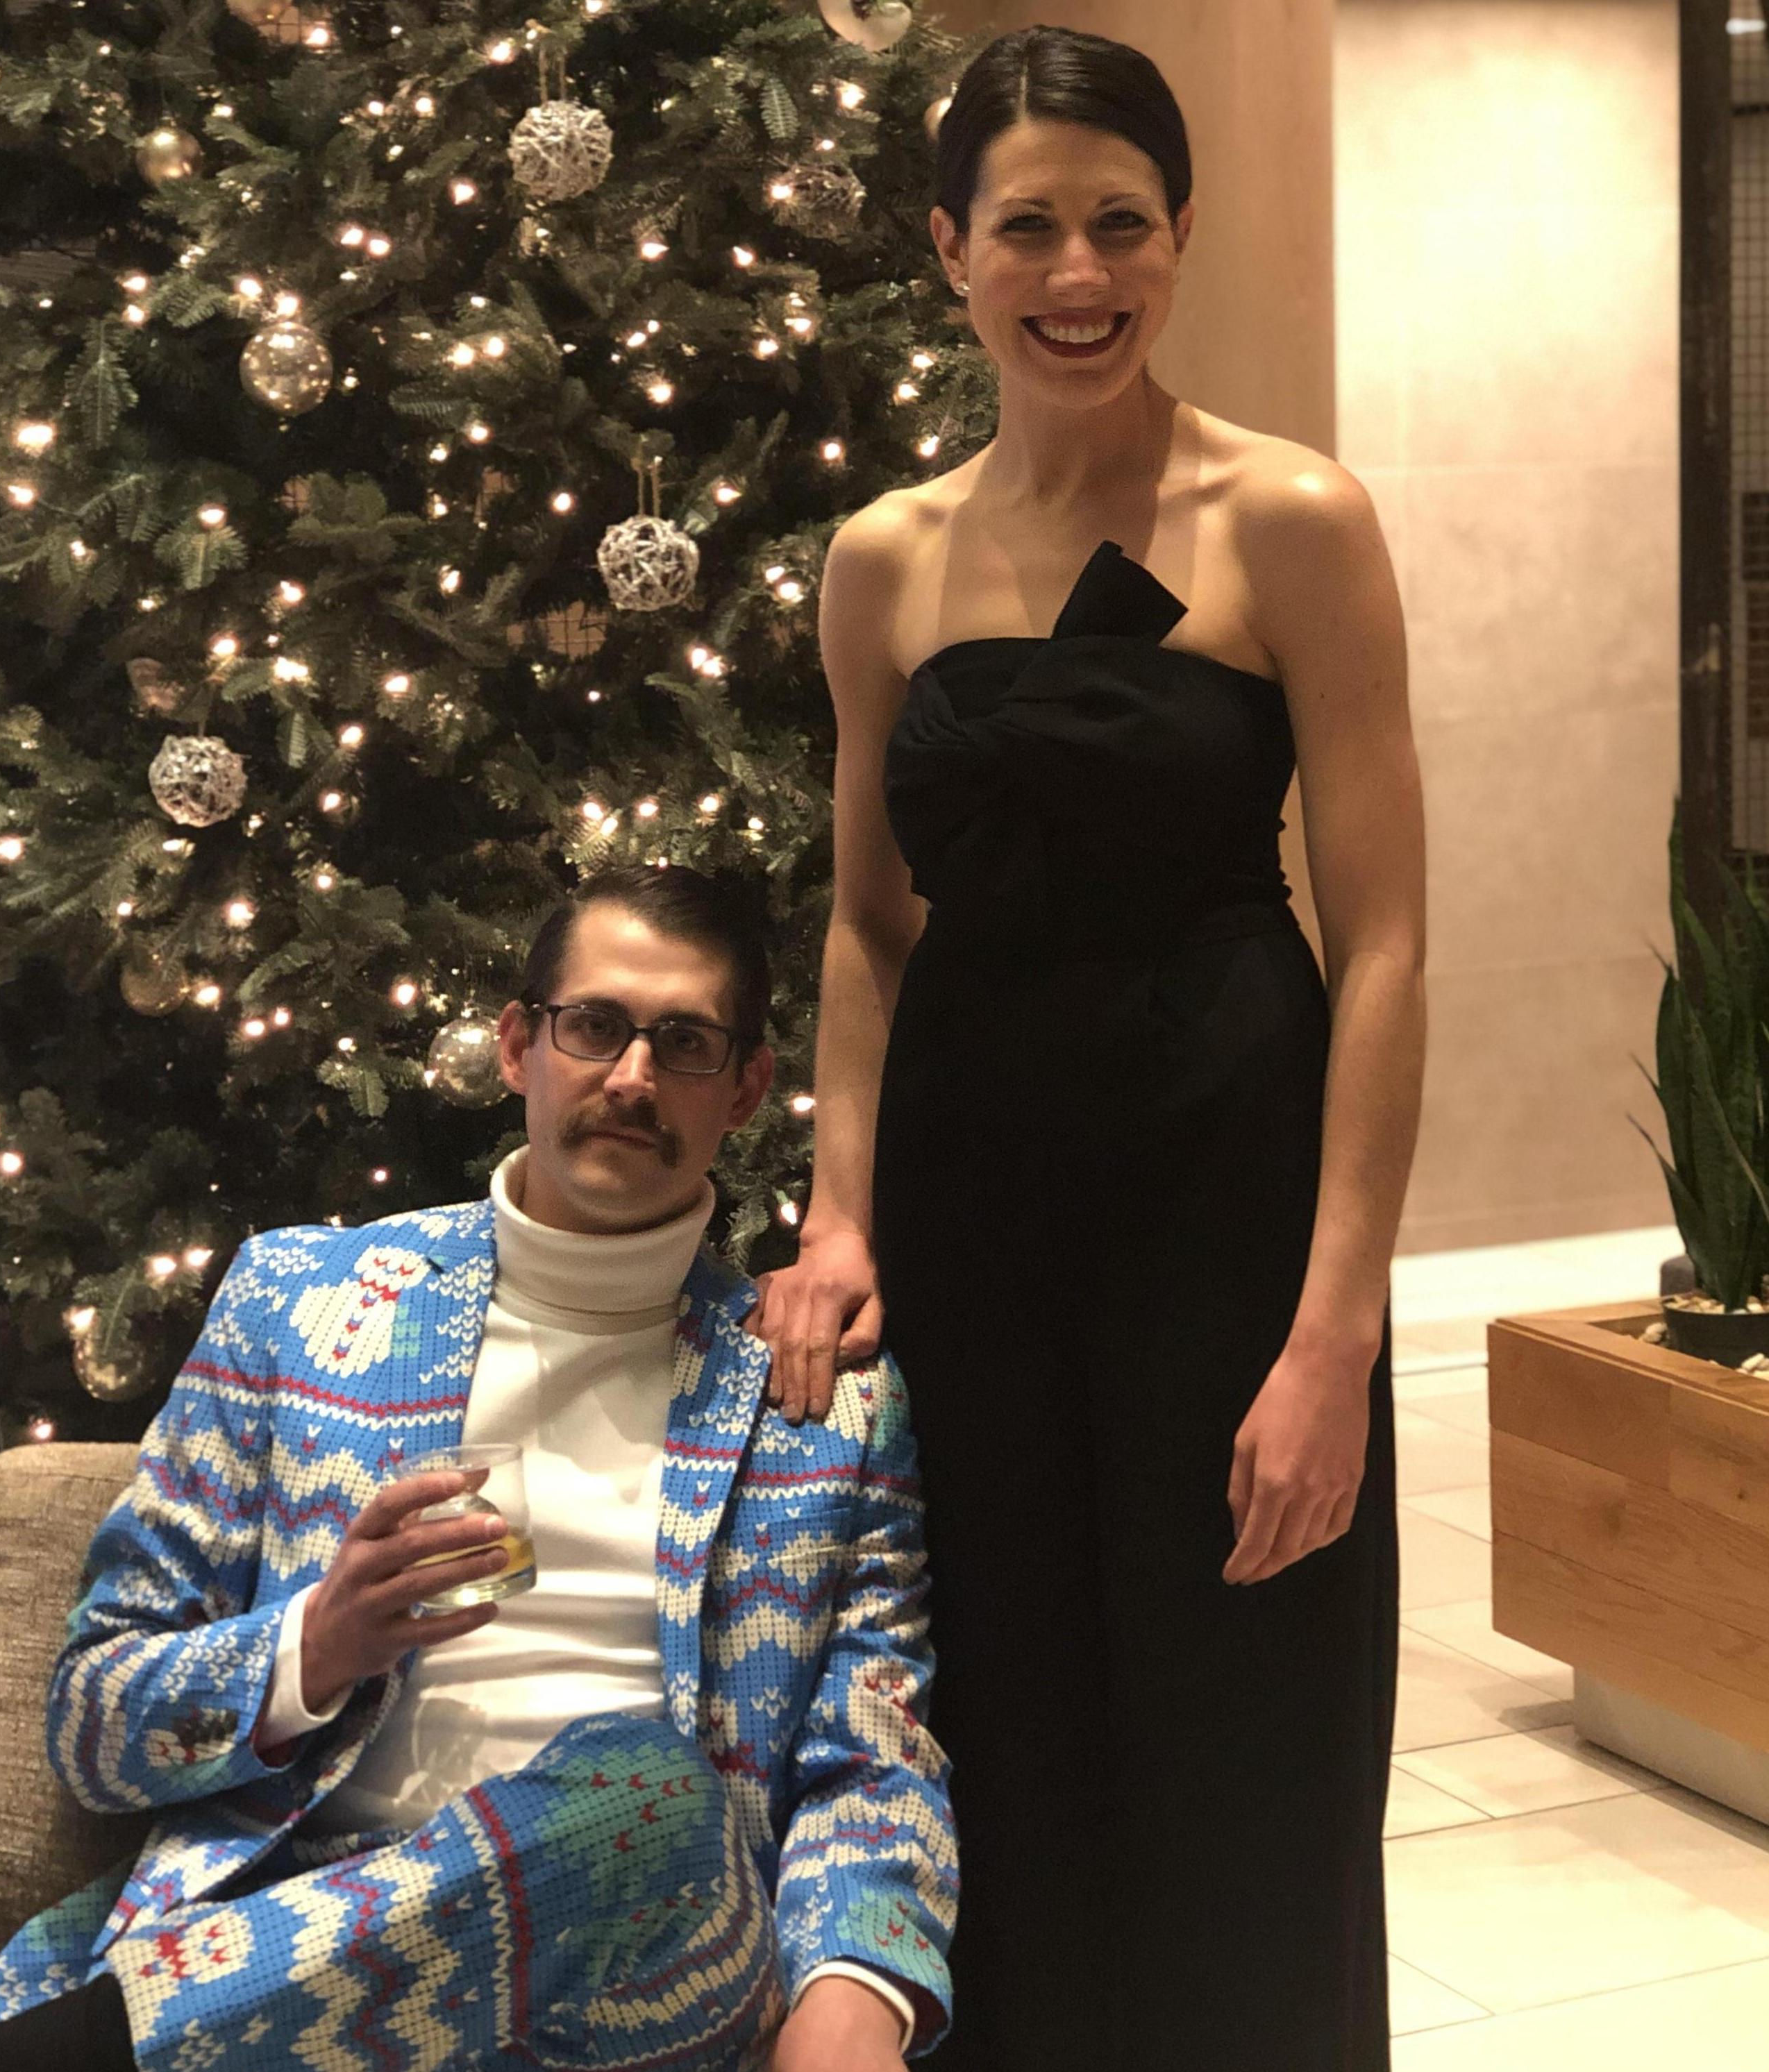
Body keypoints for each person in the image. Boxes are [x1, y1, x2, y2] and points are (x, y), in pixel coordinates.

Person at [747, 27, 1423, 2072]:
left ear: (1179, 233)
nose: (1076, 273)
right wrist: (840, 1211)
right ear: (947, 251)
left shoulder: (1289, 518)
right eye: (1026, 226)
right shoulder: (884, 557)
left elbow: (1385, 940)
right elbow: (869, 924)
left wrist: (1336, 1335)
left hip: (1228, 1200)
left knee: (1246, 1732)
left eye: (1119, 223)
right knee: (1008, 1724)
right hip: (977, 1213)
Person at [0, 867, 953, 2072]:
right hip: (282, 1938)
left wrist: (857, 1994)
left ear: (745, 1087)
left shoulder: (822, 1398)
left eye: (684, 1042)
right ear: (517, 1046)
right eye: (593, 1026)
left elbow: (874, 1756)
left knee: (649, 1796)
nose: (633, 1077)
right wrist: (314, 1646)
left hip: (648, 1970)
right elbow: (91, 1719)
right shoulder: (297, 1301)